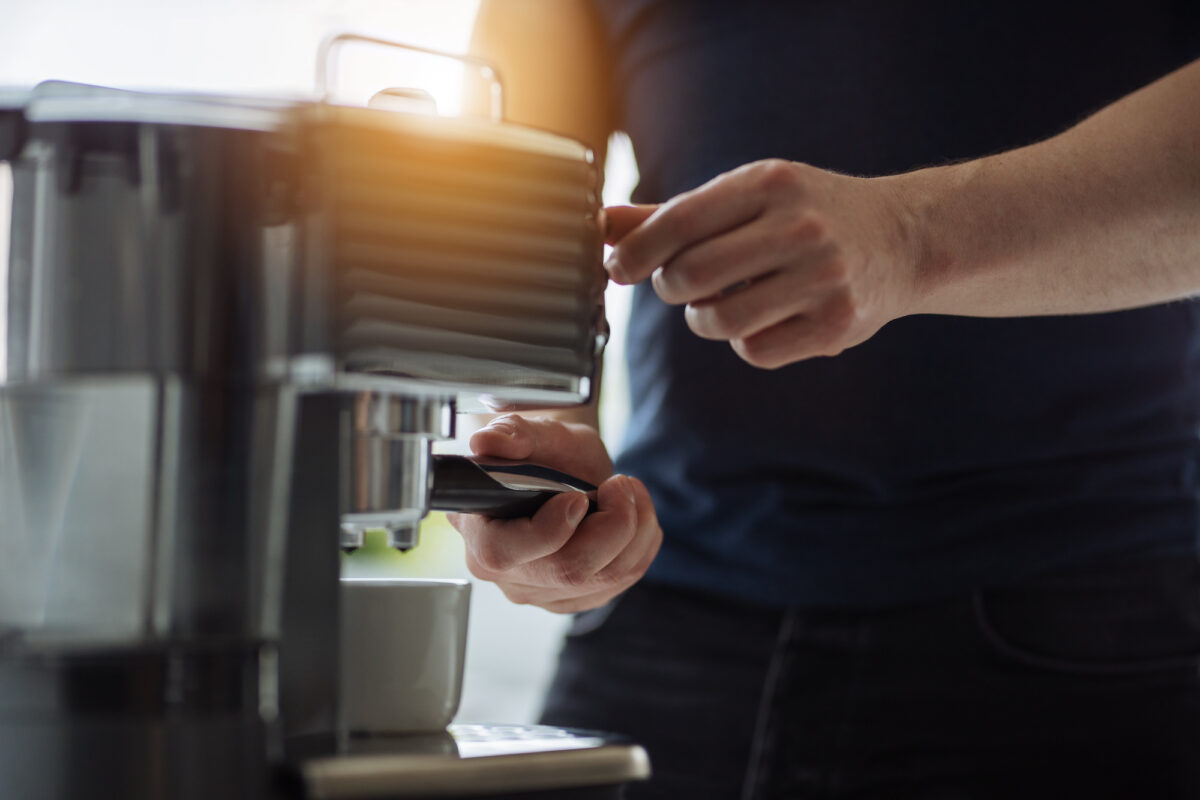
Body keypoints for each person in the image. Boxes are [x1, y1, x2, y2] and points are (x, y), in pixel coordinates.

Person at [451, 2, 1200, 797]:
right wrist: (536, 458)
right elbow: (506, 220)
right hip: (665, 622)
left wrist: (908, 237)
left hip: (1094, 622)